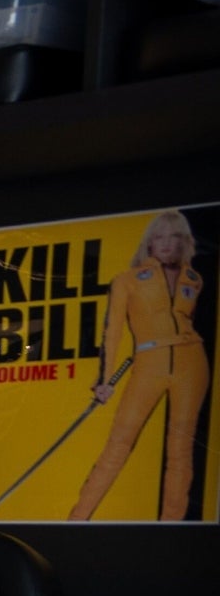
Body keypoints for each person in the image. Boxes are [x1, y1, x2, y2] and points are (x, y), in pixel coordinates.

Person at [67, 208, 208, 522]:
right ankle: (77, 519)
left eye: (174, 236)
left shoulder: (194, 279)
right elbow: (112, 331)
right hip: (148, 362)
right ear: (149, 242)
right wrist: (104, 379)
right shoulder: (127, 281)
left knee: (181, 451)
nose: (166, 243)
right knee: (118, 444)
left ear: (183, 241)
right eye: (159, 236)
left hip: (192, 363)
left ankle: (170, 526)